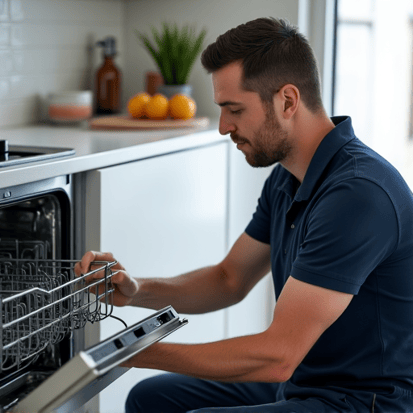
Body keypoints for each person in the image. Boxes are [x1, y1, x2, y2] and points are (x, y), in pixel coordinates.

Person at [76, 17, 413, 413]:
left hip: (364, 401)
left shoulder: (358, 194)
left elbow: (278, 355)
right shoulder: (288, 179)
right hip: (305, 383)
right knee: (151, 398)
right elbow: (228, 279)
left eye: (234, 109)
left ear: (288, 101)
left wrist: (130, 352)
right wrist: (136, 289)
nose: (222, 127)